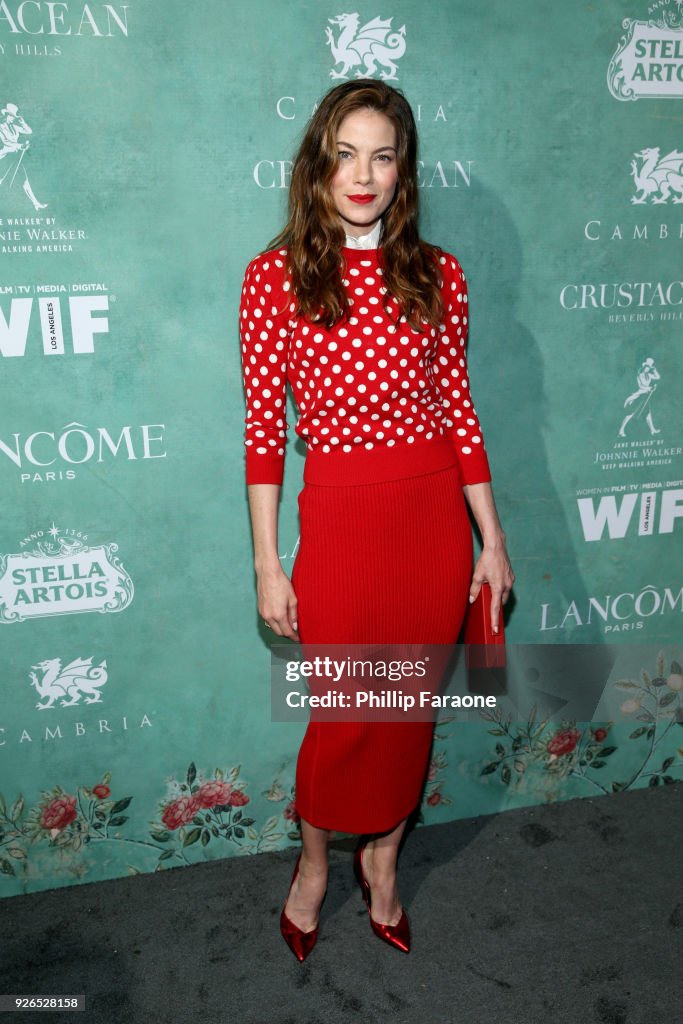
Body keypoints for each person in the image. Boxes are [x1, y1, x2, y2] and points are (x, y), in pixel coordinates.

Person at [239, 80, 514, 961]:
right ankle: (316, 867)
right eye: (345, 154)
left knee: (408, 711)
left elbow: (459, 412)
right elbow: (262, 431)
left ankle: (385, 865)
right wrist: (266, 564)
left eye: (383, 155)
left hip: (432, 518)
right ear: (318, 166)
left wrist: (491, 540)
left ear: (404, 170)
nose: (363, 175)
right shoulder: (272, 278)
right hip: (345, 521)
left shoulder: (439, 274)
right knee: (345, 715)